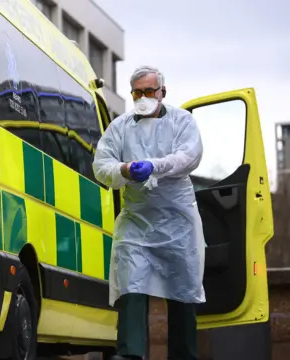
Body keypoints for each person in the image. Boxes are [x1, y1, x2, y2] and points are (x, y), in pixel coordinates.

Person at [92, 66, 205, 360]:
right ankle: (129, 353)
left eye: (149, 91)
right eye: (137, 92)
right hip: (137, 222)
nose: (143, 98)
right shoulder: (120, 127)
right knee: (131, 284)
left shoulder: (182, 121)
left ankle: (184, 355)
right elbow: (101, 165)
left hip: (177, 222)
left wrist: (154, 166)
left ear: (162, 93)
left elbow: (188, 156)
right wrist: (125, 170)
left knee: (182, 291)